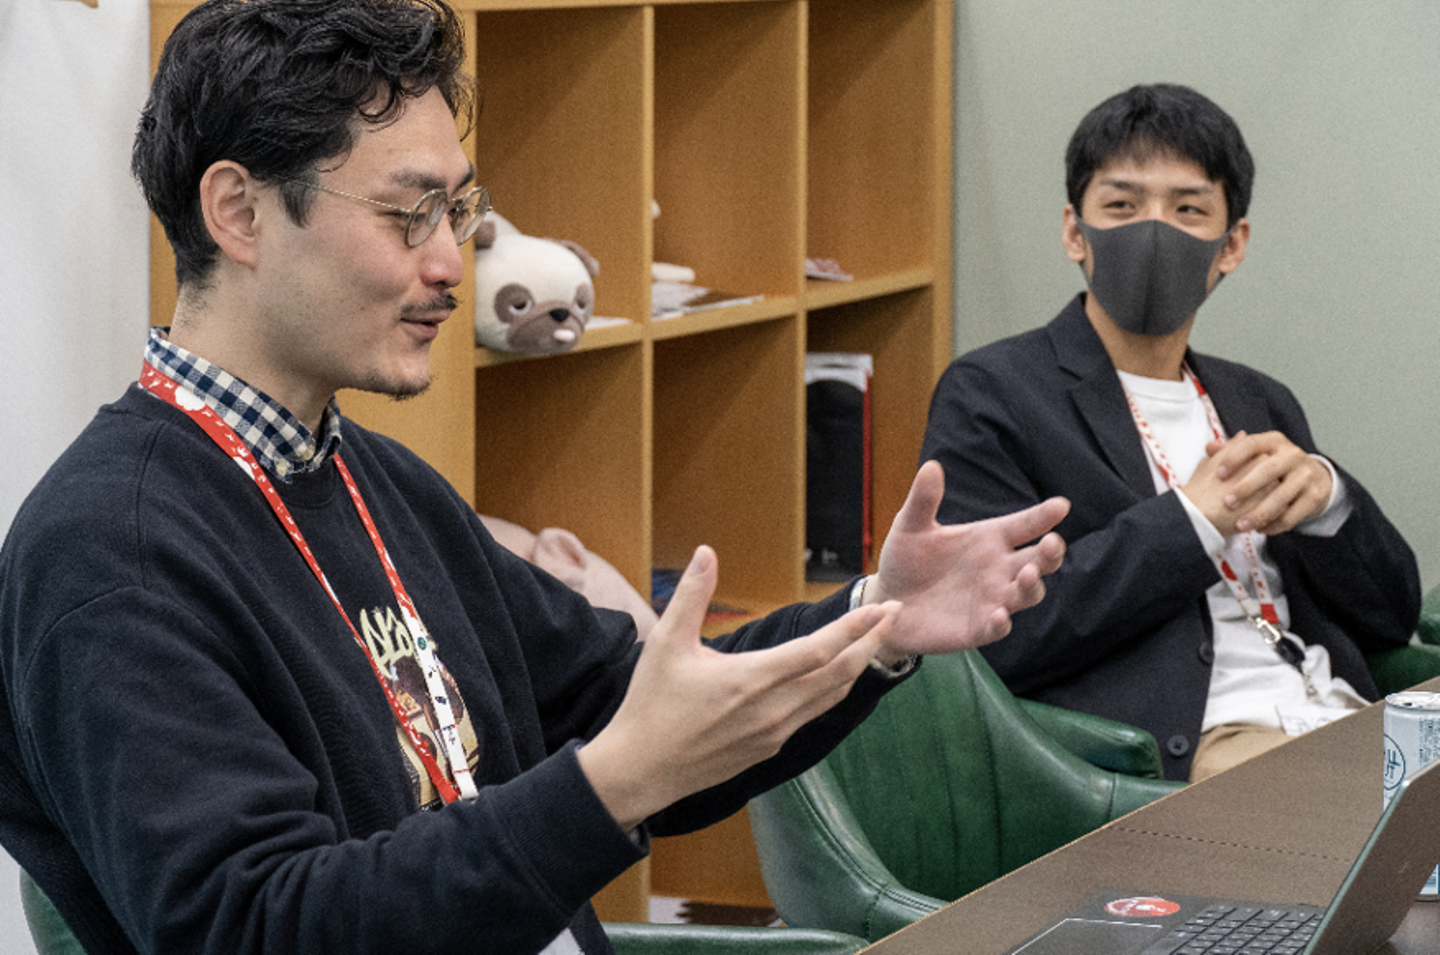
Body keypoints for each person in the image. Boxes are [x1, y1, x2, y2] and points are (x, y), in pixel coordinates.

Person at [0, 2, 1068, 954]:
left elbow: (631, 701)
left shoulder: (375, 478)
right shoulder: (109, 552)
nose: (449, 264)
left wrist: (876, 621)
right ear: (239, 212)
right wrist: (610, 786)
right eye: (407, 214)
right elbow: (254, 923)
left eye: (457, 212)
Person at [919, 83, 1420, 784]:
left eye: (1188, 210)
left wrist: (1331, 502)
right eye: (1122, 206)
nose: (1154, 231)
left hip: (1340, 713)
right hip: (1198, 745)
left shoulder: (1258, 399)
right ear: (1075, 232)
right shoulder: (994, 393)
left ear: (1231, 244)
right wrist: (1190, 522)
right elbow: (995, 633)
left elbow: (1392, 620)